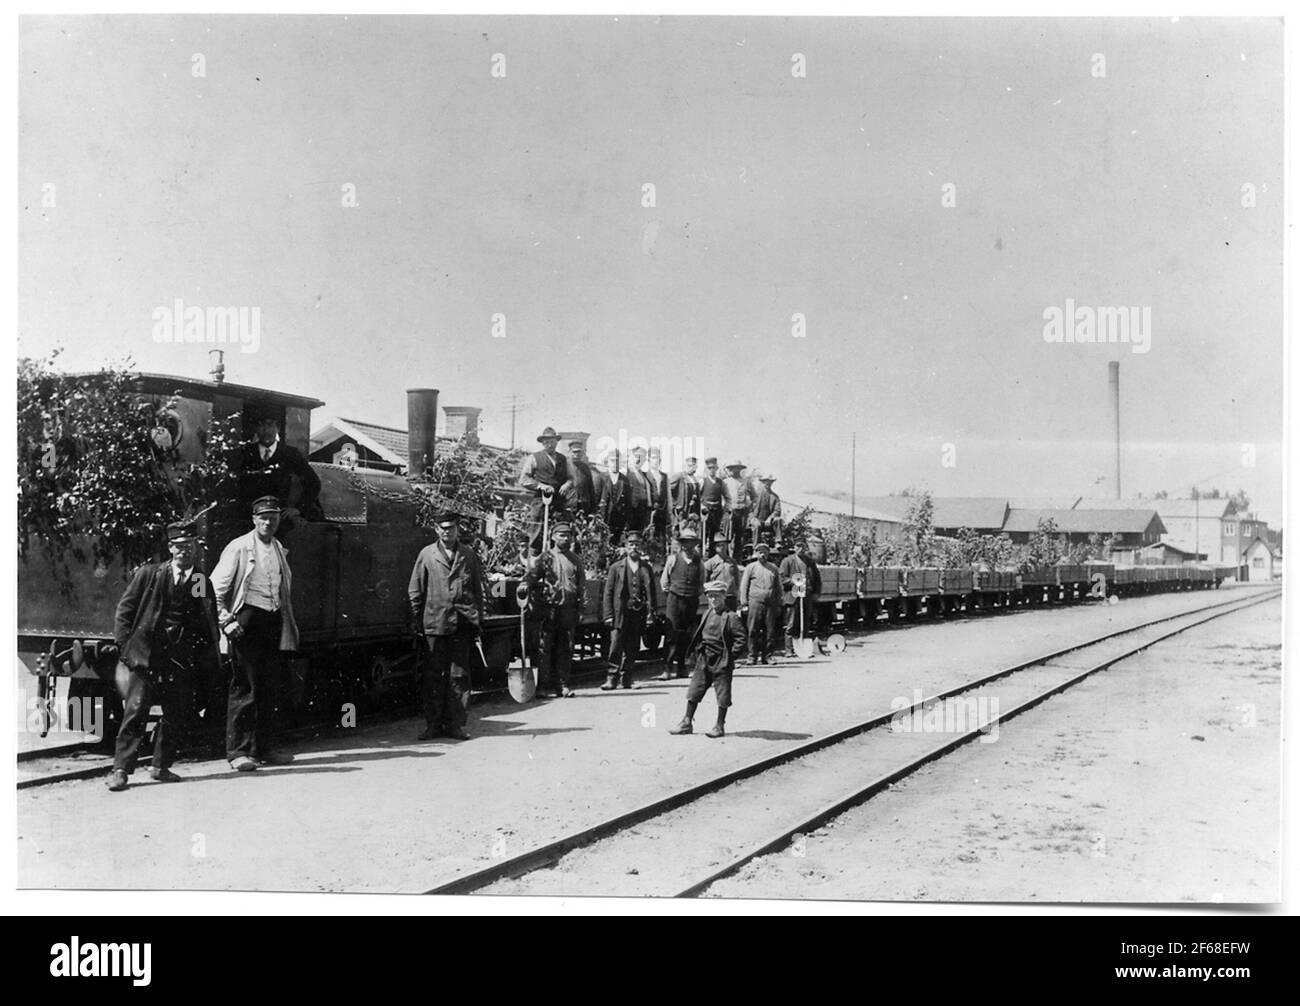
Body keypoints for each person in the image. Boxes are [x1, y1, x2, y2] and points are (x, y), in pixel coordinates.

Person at [106, 520, 220, 791]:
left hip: (179, 659)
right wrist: (124, 646)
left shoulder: (199, 581)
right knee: (135, 710)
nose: (185, 552)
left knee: (176, 713)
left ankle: (160, 766)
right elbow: (125, 611)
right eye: (180, 547)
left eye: (190, 546)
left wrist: (202, 656)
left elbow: (205, 617)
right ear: (170, 548)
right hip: (146, 656)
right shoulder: (150, 575)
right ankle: (121, 770)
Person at [212, 496, 300, 771]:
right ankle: (238, 752)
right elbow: (214, 589)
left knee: (270, 687)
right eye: (263, 517)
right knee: (245, 687)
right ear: (254, 519)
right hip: (246, 621)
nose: (268, 522)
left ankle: (265, 749)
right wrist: (226, 621)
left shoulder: (277, 547)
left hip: (271, 621)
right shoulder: (238, 547)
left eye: (273, 517)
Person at [408, 510, 486, 740]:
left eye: (450, 527)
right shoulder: (428, 555)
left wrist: (478, 619)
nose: (446, 531)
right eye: (442, 527)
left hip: (461, 624)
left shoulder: (468, 555)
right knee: (434, 676)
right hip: (434, 623)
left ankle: (455, 725)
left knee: (459, 676)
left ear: (457, 529)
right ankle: (433, 725)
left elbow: (477, 591)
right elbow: (415, 589)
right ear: (436, 529)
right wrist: (415, 620)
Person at [667, 580, 747, 738]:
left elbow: (741, 640)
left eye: (716, 596)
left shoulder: (731, 617)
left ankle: (719, 725)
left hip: (721, 661)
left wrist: (730, 657)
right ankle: (686, 722)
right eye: (710, 597)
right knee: (694, 691)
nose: (713, 600)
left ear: (724, 596)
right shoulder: (707, 613)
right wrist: (697, 653)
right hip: (704, 658)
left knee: (723, 695)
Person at [526, 522, 585, 698]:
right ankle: (543, 687)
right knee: (545, 648)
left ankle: (563, 685)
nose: (565, 538)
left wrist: (581, 608)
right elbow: (532, 576)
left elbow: (581, 586)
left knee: (566, 647)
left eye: (568, 535)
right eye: (561, 535)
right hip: (549, 610)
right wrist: (524, 584)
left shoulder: (575, 560)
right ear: (553, 537)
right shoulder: (546, 558)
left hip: (568, 610)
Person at [600, 530, 658, 690]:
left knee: (633, 647)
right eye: (631, 544)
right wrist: (608, 615)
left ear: (641, 547)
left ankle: (627, 679)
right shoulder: (615, 567)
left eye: (637, 544)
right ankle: (611, 678)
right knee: (615, 646)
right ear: (625, 547)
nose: (634, 547)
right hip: (620, 613)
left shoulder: (646, 568)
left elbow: (652, 593)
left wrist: (650, 614)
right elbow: (608, 592)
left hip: (637, 613)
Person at [238, 417, 322, 523]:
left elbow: (313, 483)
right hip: (249, 517)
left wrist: (298, 508)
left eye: (270, 425)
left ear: (278, 428)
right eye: (261, 425)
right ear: (256, 429)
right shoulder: (244, 452)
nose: (266, 430)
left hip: (279, 518)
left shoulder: (290, 454)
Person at [658, 525, 705, 680]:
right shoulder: (673, 559)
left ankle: (682, 668)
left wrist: (693, 594)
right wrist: (673, 592)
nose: (687, 545)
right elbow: (664, 581)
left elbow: (701, 583)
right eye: (685, 542)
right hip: (675, 599)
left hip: (691, 600)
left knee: (686, 635)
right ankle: (667, 669)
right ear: (681, 543)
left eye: (691, 542)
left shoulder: (699, 562)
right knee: (671, 634)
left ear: (694, 544)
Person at [519, 426, 573, 553]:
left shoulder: (564, 459)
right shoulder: (534, 458)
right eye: (547, 442)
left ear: (556, 442)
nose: (550, 445)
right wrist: (541, 486)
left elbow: (571, 478)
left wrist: (567, 484)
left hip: (559, 502)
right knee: (536, 531)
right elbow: (523, 479)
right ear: (543, 443)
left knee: (561, 532)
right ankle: (534, 562)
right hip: (541, 501)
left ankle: (558, 562)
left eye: (552, 441)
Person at [739, 541, 781, 664]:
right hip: (755, 603)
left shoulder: (773, 568)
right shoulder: (750, 567)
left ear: (768, 553)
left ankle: (767, 656)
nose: (762, 554)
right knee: (753, 630)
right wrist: (744, 603)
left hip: (770, 603)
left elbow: (778, 587)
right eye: (760, 552)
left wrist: (779, 603)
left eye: (765, 552)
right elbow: (744, 586)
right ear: (756, 553)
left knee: (770, 631)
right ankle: (752, 656)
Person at [779, 538, 822, 657]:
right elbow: (782, 578)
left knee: (806, 622)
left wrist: (816, 592)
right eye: (798, 546)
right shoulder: (787, 561)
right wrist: (795, 581)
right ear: (794, 547)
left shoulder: (809, 561)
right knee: (791, 623)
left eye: (803, 546)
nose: (801, 549)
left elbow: (817, 578)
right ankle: (789, 650)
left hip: (806, 595)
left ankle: (802, 646)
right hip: (793, 595)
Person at [722, 461, 754, 557]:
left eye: (738, 468)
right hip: (730, 511)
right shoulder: (725, 482)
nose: (735, 470)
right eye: (733, 468)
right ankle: (726, 558)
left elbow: (754, 496)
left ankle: (737, 559)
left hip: (742, 512)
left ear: (740, 469)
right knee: (727, 535)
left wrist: (749, 506)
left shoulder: (746, 481)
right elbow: (721, 497)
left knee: (739, 537)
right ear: (730, 469)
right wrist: (726, 508)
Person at [704, 532, 740, 612]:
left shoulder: (732, 562)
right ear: (715, 548)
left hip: (730, 596)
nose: (722, 548)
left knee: (730, 619)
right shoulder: (710, 563)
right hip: (717, 596)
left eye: (724, 545)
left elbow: (736, 579)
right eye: (719, 545)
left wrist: (735, 592)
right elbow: (705, 581)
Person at [623, 446, 653, 540]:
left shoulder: (644, 475)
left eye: (642, 457)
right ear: (630, 457)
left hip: (643, 510)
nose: (638, 459)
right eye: (636, 456)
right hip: (631, 510)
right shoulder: (626, 474)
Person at [600, 448, 628, 544]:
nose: (615, 463)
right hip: (605, 517)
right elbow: (596, 498)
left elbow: (628, 502)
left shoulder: (625, 480)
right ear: (607, 462)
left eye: (617, 461)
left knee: (617, 544)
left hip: (620, 519)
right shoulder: (602, 478)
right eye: (612, 460)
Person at [566, 440, 600, 517]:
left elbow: (591, 489)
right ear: (569, 452)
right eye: (574, 452)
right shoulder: (564, 467)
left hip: (584, 507)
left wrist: (594, 510)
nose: (576, 455)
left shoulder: (585, 468)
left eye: (579, 452)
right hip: (569, 507)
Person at [669, 457, 701, 536]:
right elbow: (668, 490)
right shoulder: (679, 476)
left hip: (693, 510)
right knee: (679, 531)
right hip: (682, 510)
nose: (691, 468)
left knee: (691, 531)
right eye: (689, 466)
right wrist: (674, 504)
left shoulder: (695, 479)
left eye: (693, 466)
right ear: (684, 466)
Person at [645, 446, 670, 543]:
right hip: (650, 513)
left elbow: (668, 496)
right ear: (649, 460)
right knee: (650, 537)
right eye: (653, 458)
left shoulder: (664, 476)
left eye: (658, 458)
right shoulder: (645, 475)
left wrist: (669, 513)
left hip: (662, 512)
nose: (656, 461)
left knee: (662, 538)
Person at [750, 473, 783, 548]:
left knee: (778, 520)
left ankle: (778, 542)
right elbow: (749, 508)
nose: (768, 483)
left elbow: (777, 511)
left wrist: (770, 518)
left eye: (770, 482)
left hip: (768, 522)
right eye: (766, 481)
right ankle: (756, 547)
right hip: (756, 520)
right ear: (763, 482)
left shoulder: (775, 497)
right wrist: (753, 518)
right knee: (757, 525)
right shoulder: (755, 495)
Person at [699, 457, 726, 545]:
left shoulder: (720, 482)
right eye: (709, 468)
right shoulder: (703, 481)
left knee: (714, 535)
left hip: (717, 511)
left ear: (716, 469)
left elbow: (725, 496)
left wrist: (723, 506)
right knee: (703, 534)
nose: (712, 470)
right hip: (706, 512)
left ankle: (712, 555)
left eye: (713, 468)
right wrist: (702, 507)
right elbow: (697, 497)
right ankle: (701, 555)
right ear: (707, 469)